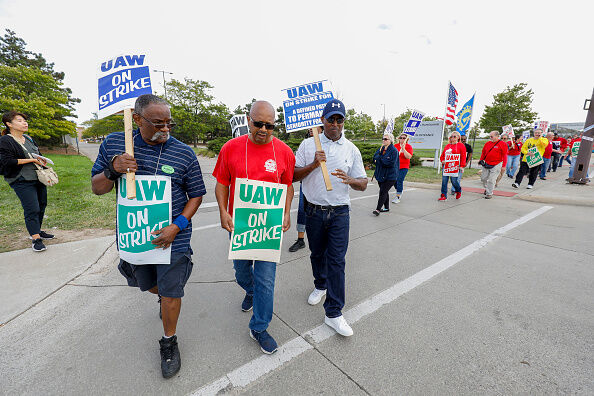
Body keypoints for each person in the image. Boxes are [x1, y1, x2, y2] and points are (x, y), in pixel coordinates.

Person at [91, 94, 206, 378]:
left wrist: (176, 226)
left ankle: (169, 341)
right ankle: (162, 296)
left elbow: (196, 195)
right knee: (149, 286)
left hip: (174, 239)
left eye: (169, 123)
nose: (166, 129)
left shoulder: (183, 153)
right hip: (136, 237)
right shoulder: (116, 145)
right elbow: (97, 188)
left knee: (170, 292)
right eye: (158, 123)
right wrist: (112, 169)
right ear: (138, 119)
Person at [213, 100, 295, 354]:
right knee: (241, 272)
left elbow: (288, 185)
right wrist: (223, 211)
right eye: (258, 123)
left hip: (268, 228)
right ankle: (249, 290)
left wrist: (286, 211)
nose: (263, 129)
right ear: (248, 120)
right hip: (239, 226)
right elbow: (222, 184)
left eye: (269, 125)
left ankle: (259, 327)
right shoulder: (231, 148)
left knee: (266, 281)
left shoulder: (284, 152)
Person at [294, 98, 367, 337]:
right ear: (322, 121)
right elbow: (294, 175)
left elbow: (363, 184)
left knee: (337, 260)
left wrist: (351, 180)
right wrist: (315, 164)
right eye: (331, 119)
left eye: (339, 119)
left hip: (339, 213)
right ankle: (320, 285)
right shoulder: (308, 145)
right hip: (314, 211)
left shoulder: (351, 149)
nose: (335, 123)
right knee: (317, 254)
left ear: (343, 122)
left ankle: (334, 313)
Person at [0, 111, 54, 252]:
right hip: (21, 179)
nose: (25, 123)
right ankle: (36, 239)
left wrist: (42, 160)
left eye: (25, 120)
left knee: (42, 204)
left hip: (37, 177)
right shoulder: (6, 140)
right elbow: (7, 161)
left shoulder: (28, 138)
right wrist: (31, 159)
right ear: (9, 124)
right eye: (20, 120)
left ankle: (37, 230)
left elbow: (38, 154)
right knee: (32, 208)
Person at [289, 128, 314, 253]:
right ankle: (300, 239)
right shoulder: (305, 144)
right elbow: (297, 166)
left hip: (320, 187)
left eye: (313, 126)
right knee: (302, 211)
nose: (310, 129)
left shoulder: (329, 143)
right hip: (305, 184)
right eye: (309, 127)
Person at [372, 132, 398, 215]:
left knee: (383, 191)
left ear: (390, 140)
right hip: (380, 175)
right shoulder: (381, 149)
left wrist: (379, 160)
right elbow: (374, 158)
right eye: (383, 139)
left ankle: (378, 209)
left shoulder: (394, 151)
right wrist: (381, 160)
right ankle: (386, 208)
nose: (383, 140)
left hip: (390, 176)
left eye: (386, 139)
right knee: (384, 191)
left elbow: (390, 163)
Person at [479, 131, 508, 199]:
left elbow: (505, 155)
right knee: (483, 178)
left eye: (492, 136)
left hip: (497, 164)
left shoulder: (503, 144)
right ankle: (487, 188)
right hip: (487, 163)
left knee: (492, 180)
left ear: (497, 136)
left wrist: (504, 166)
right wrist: (481, 160)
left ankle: (489, 193)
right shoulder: (487, 143)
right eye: (490, 136)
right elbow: (483, 152)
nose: (490, 138)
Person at [438, 131, 466, 201]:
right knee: (444, 181)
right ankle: (443, 195)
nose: (452, 138)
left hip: (456, 167)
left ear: (458, 138)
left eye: (454, 136)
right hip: (446, 166)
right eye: (451, 136)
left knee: (454, 181)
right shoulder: (447, 146)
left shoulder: (461, 145)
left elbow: (463, 156)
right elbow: (442, 156)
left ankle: (458, 190)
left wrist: (462, 166)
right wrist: (442, 161)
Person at [392, 133, 413, 203]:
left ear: (406, 139)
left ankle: (398, 196)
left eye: (404, 138)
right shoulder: (395, 146)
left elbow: (408, 157)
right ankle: (399, 190)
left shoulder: (408, 146)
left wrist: (403, 149)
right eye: (401, 137)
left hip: (404, 167)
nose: (402, 139)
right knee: (394, 180)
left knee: (399, 180)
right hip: (395, 166)